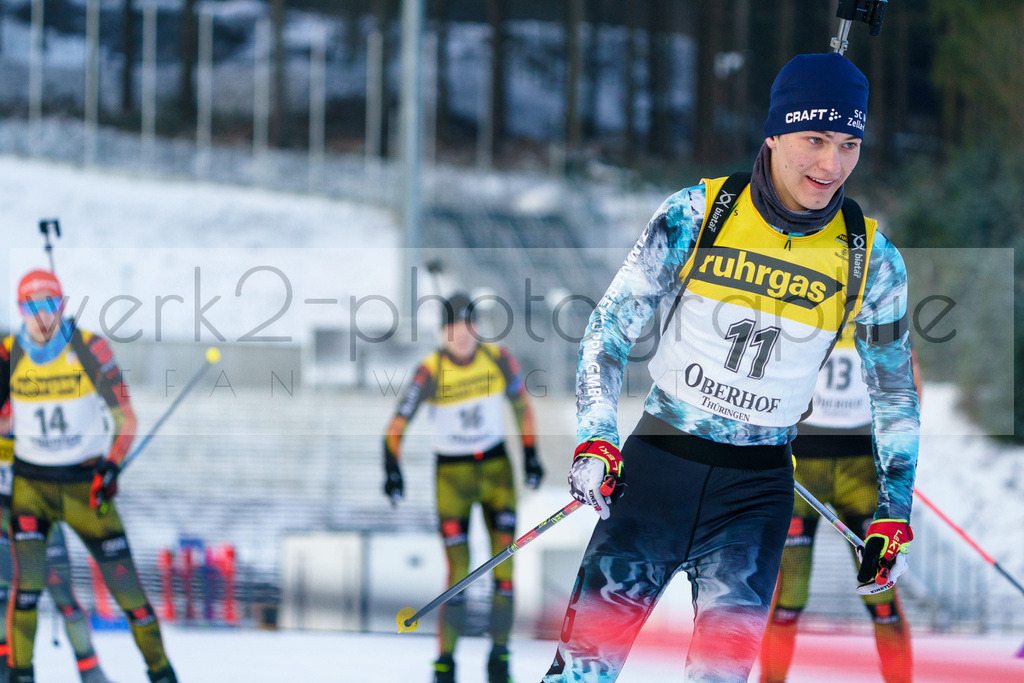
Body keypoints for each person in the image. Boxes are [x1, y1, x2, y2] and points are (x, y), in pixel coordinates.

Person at [542, 52, 919, 683]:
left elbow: (896, 395)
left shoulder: (872, 260)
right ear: (774, 133)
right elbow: (609, 329)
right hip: (656, 473)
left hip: (755, 497)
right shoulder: (697, 213)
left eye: (849, 145)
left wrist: (893, 511)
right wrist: (596, 438)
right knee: (581, 672)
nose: (831, 165)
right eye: (815, 139)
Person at [0, 270, 177, 683]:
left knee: (130, 595)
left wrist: (112, 463)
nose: (41, 317)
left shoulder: (89, 346)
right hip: (31, 489)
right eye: (30, 306)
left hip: (86, 488)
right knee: (27, 589)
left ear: (62, 305)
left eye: (49, 305)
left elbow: (126, 416)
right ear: (20, 310)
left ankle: (162, 673)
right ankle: (19, 675)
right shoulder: (8, 353)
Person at [383, 292, 545, 683]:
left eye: (468, 326)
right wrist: (391, 466)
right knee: (458, 574)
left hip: (496, 474)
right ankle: (446, 661)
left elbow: (522, 406)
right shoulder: (430, 369)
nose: (462, 335)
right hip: (451, 478)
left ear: (476, 327)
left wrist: (531, 454)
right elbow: (396, 424)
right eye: (453, 328)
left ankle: (500, 657)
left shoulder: (499, 358)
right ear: (442, 332)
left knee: (505, 568)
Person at [758, 326, 921, 683]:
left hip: (860, 470)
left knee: (881, 592)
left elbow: (908, 383)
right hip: (801, 467)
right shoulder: (801, 304)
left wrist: (899, 460)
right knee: (791, 590)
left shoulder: (880, 307)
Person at [0, 403, 112, 683]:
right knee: (5, 595)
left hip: (40, 520)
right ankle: (7, 667)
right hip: (4, 519)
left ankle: (91, 671)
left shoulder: (35, 415)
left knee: (64, 596)